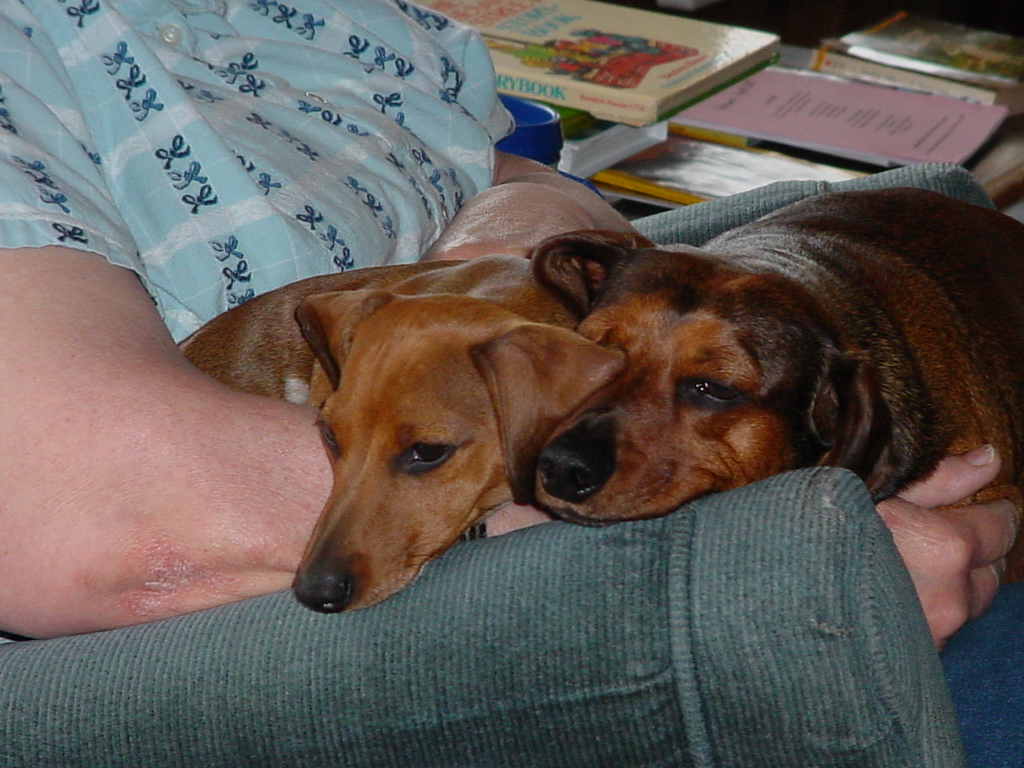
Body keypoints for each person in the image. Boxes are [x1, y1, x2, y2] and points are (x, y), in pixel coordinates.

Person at [0, 0, 1016, 660]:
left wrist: (509, 269)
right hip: (242, 572)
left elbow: (509, 166)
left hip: (478, 326)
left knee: (928, 197)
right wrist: (764, 562)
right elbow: (119, 519)